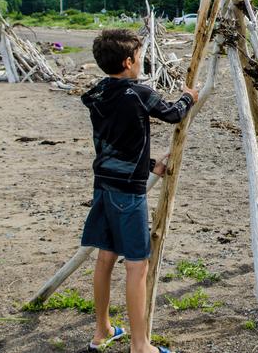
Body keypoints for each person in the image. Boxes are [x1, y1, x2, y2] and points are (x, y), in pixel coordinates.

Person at [80, 29, 198, 353]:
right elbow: (174, 113)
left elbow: (117, 144)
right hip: (128, 195)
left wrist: (148, 165)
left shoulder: (98, 93)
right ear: (129, 61)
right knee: (137, 265)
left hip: (103, 185)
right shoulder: (138, 93)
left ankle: (102, 330)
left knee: (105, 257)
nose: (142, 62)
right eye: (141, 56)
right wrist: (190, 96)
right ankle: (140, 344)